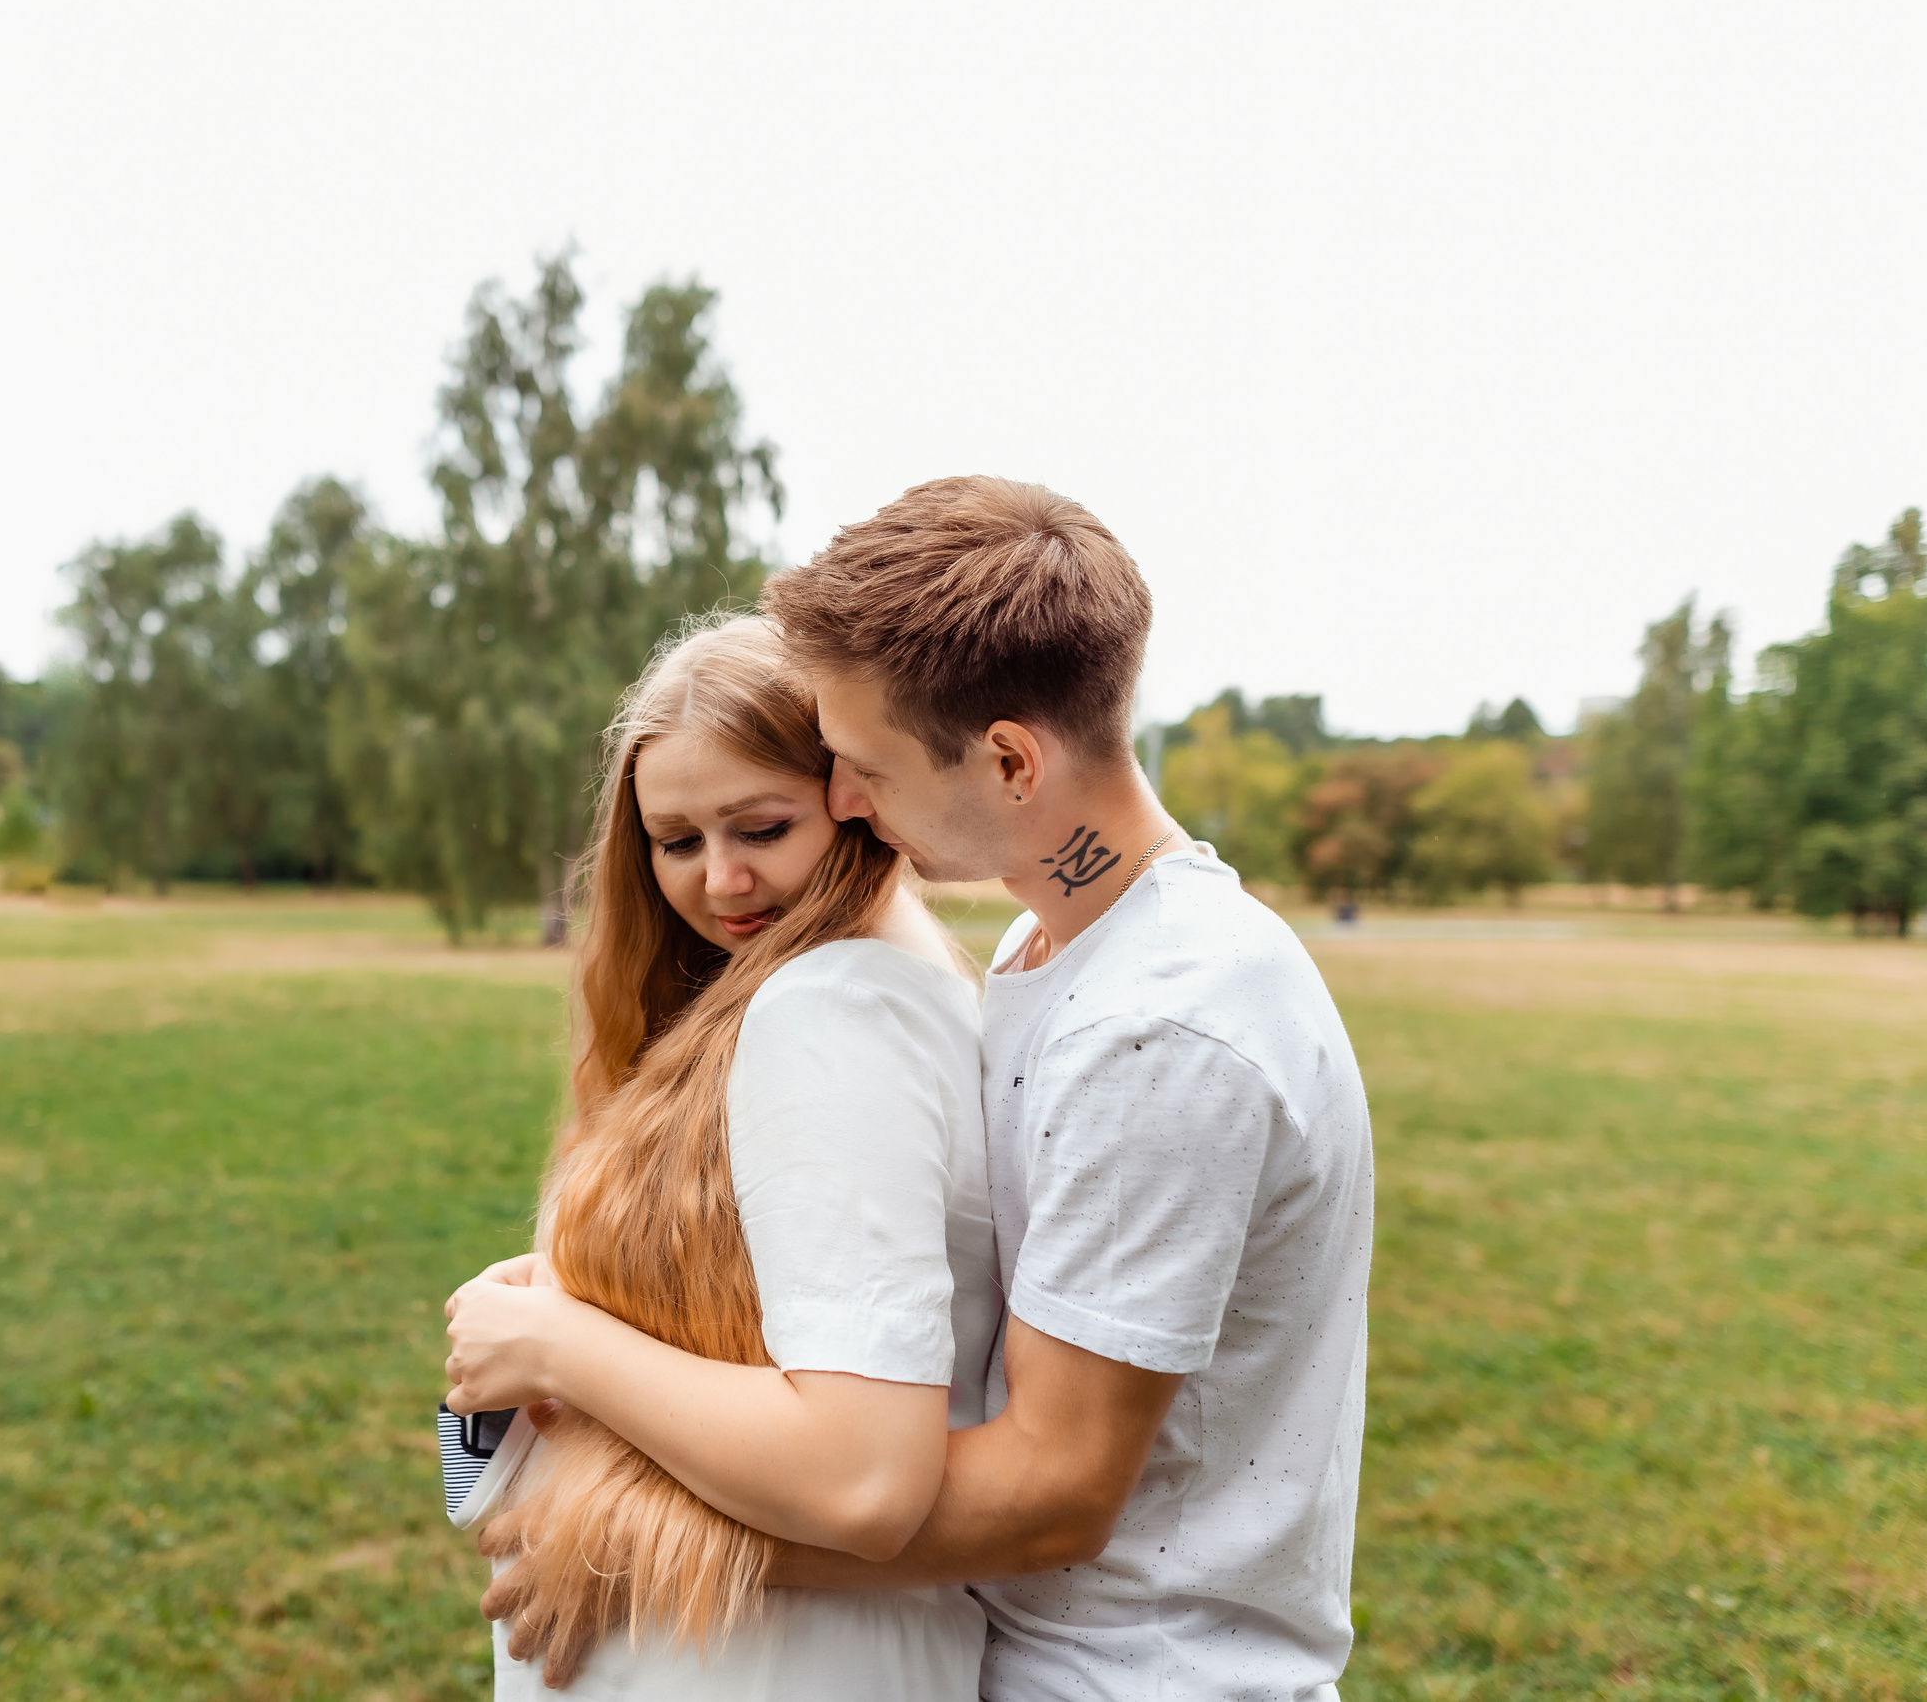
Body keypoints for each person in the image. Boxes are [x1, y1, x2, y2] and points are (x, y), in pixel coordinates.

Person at [467, 477, 1374, 1701]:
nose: (845, 802)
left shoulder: (1160, 1023)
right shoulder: (1049, 955)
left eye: (863, 765)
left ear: (1007, 759)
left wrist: (627, 1519)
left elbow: (1045, 1492)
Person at [441, 616, 1000, 1699]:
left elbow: (861, 1475)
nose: (722, 881)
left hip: (759, 1660)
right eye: (678, 842)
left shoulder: (831, 1007)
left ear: (850, 796)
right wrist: (574, 1285)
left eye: (760, 826)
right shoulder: (862, 988)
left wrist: (559, 1342)